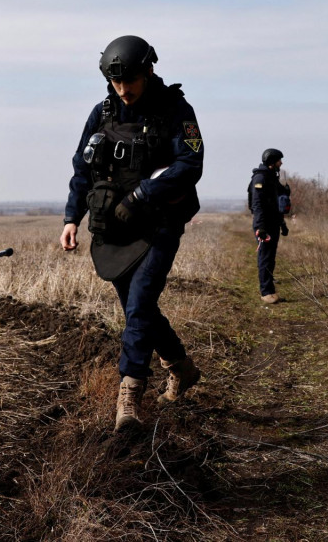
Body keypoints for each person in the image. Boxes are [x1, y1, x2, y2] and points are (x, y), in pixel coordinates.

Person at [60, 35, 203, 433]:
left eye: (130, 82)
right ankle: (182, 368)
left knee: (139, 304)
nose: (123, 90)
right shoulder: (102, 112)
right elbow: (82, 167)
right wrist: (72, 217)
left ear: (149, 71)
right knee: (138, 309)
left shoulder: (176, 109)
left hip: (159, 222)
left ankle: (130, 395)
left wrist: (142, 195)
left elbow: (190, 164)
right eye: (115, 82)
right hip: (113, 226)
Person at [249, 148, 288, 304]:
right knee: (265, 258)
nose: (281, 163)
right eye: (279, 160)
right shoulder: (260, 178)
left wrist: (283, 224)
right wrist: (260, 227)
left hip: (273, 223)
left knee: (270, 259)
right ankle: (266, 293)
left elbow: (277, 205)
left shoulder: (272, 178)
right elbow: (257, 205)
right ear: (272, 161)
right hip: (264, 225)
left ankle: (271, 291)